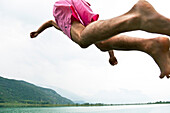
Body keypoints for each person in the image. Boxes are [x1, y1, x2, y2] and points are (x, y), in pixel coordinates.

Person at [30, 0, 170, 79]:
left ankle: (138, 16)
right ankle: (151, 45)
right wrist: (112, 55)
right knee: (101, 43)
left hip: (64, 3)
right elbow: (103, 36)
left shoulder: (61, 21)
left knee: (82, 40)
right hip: (79, 3)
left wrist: (37, 32)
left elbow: (49, 22)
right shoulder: (73, 24)